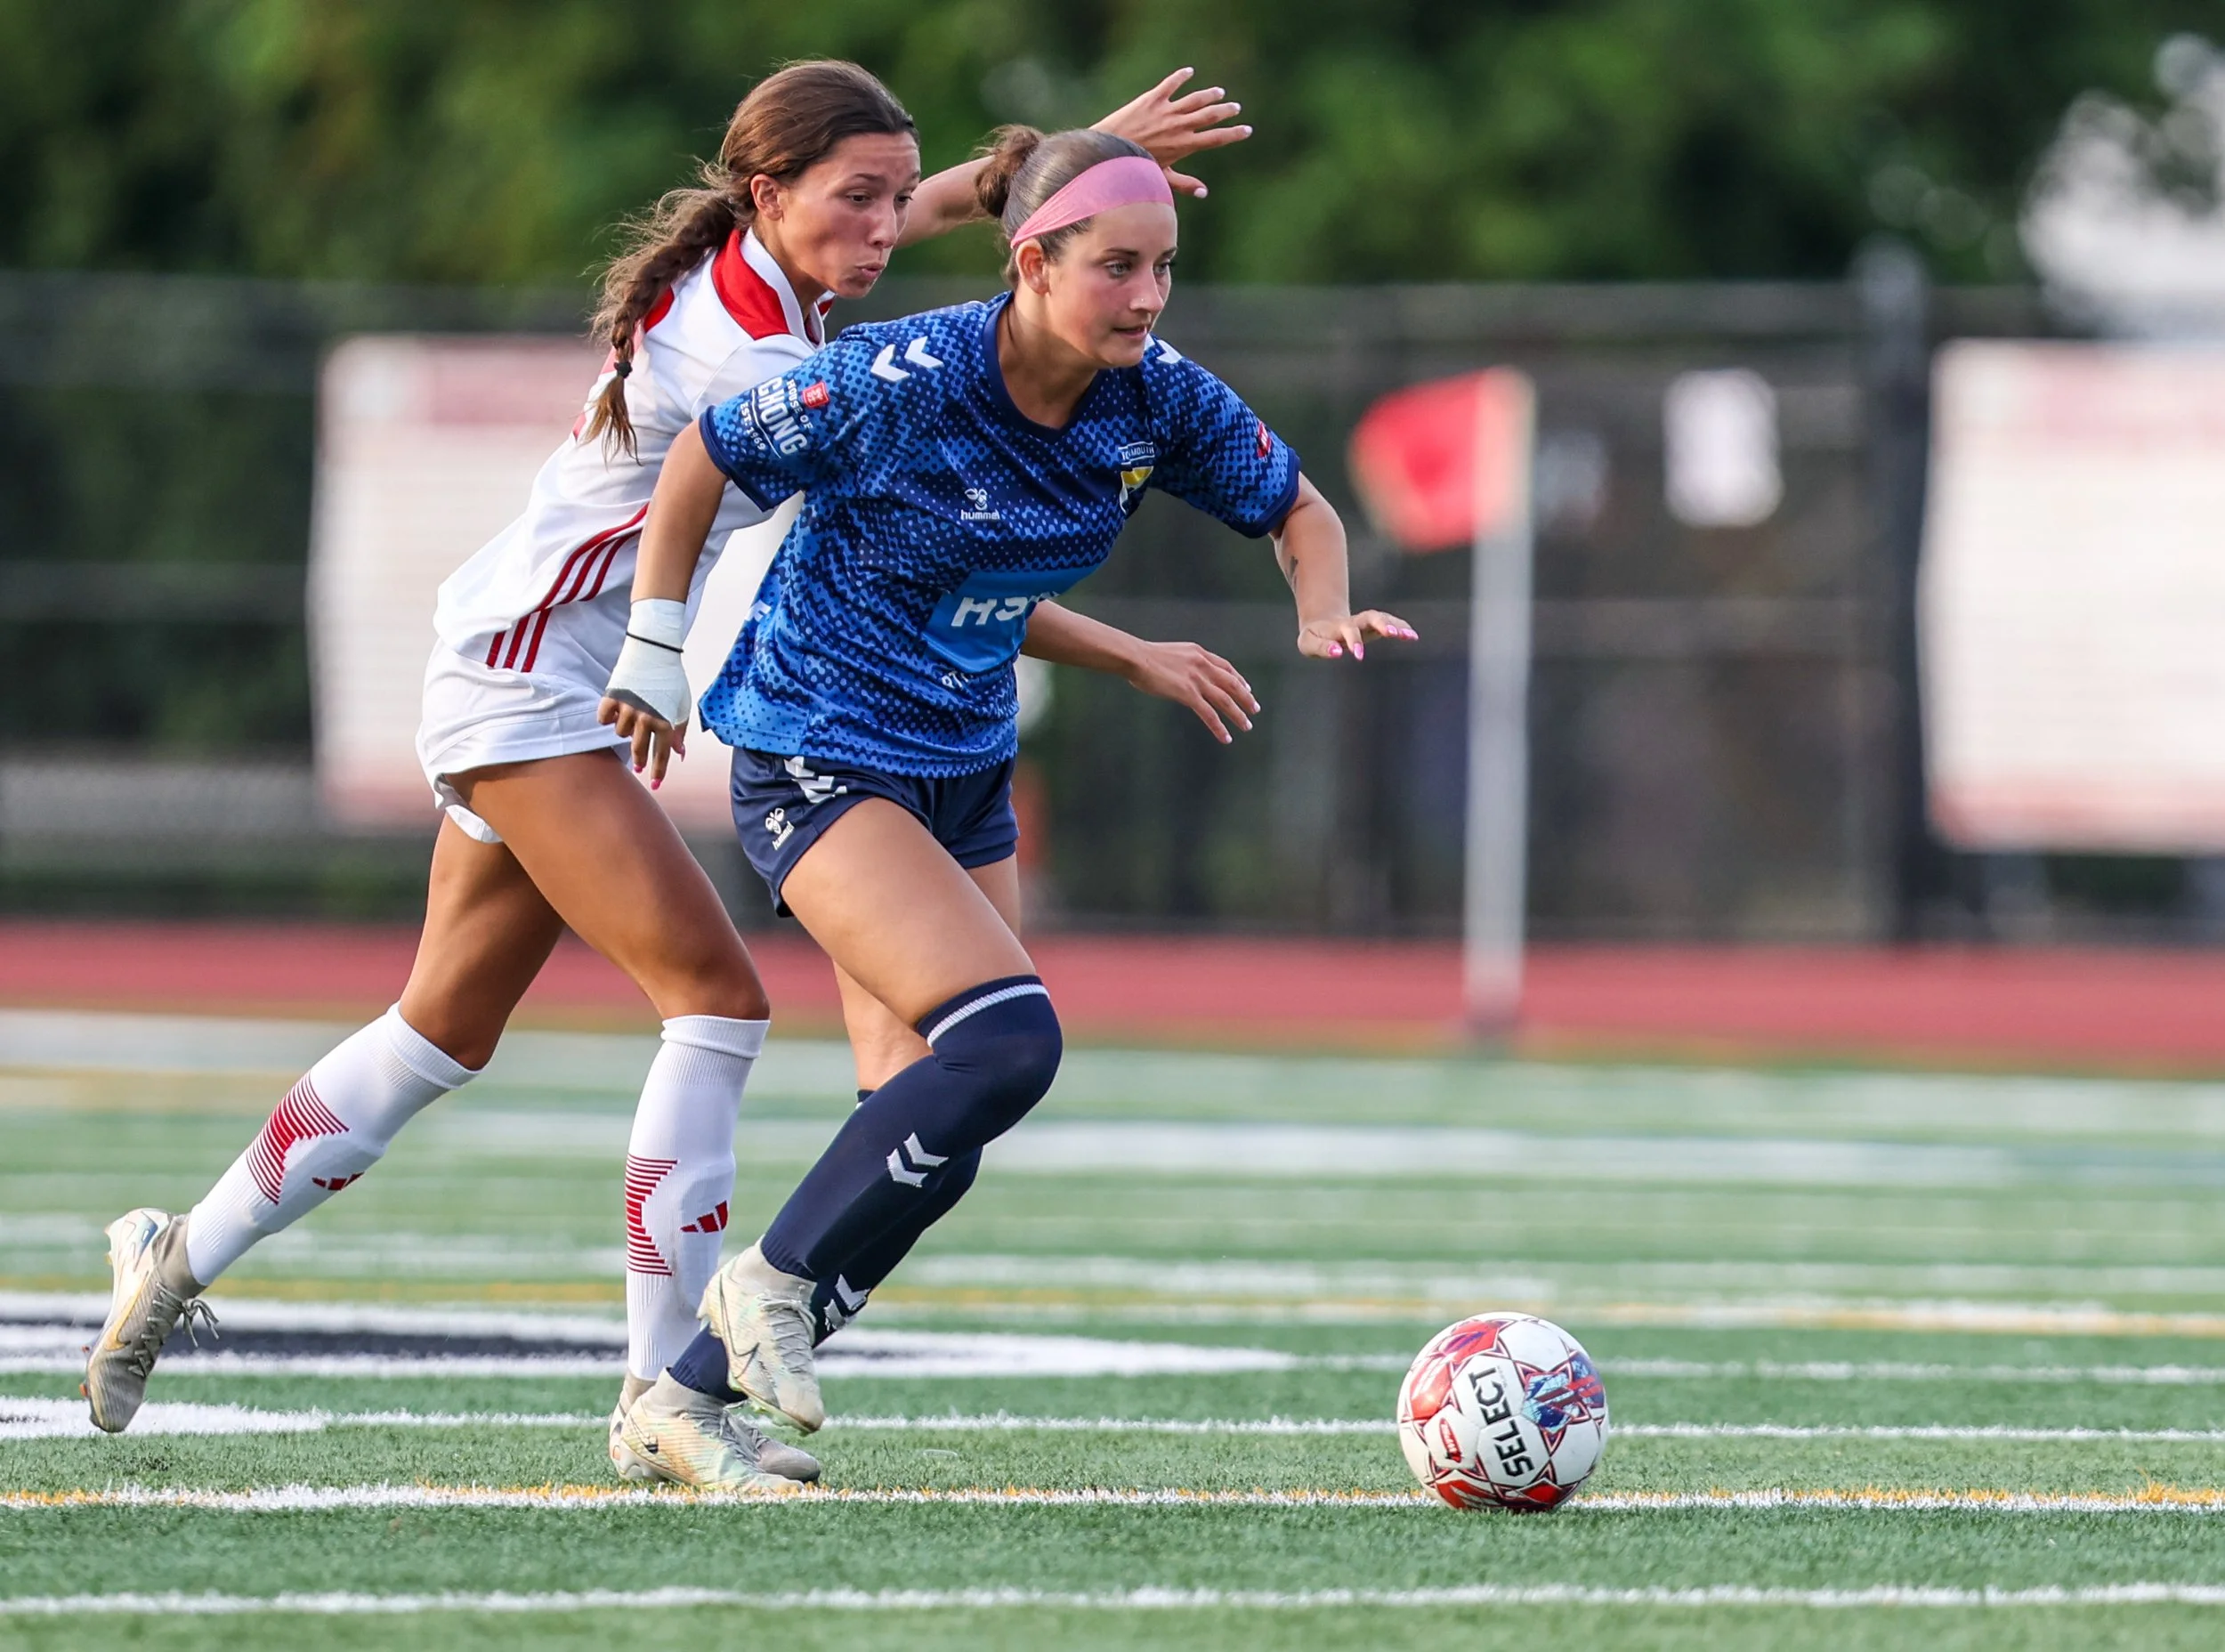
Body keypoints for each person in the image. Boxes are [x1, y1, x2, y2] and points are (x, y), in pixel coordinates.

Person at [82, 63, 1252, 1492]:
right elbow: (942, 531)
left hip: (545, 670)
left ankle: (174, 1253)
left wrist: (1082, 170)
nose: (892, 227)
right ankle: (660, 1394)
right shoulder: (739, 353)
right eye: (860, 198)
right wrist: (653, 645)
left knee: (439, 1030)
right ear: (771, 196)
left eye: (900, 195)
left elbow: (951, 220)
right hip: (539, 679)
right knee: (715, 997)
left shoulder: (776, 277)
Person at [601, 123, 1415, 1490]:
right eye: (1117, 268)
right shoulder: (899, 378)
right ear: (1032, 264)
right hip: (822, 750)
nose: (1149, 298)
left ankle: (676, 1408)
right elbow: (704, 461)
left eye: (1163, 268)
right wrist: (651, 642)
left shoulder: (1154, 398)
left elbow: (1301, 510)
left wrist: (1318, 609)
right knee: (1008, 1046)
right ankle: (764, 1287)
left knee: (936, 1130)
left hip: (961, 768)